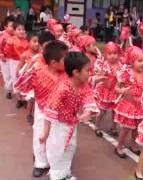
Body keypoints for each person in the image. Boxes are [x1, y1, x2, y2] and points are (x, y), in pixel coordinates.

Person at [41, 52, 99, 180]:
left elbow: (87, 96)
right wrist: (45, 133)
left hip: (72, 122)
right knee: (58, 149)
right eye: (87, 70)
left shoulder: (82, 84)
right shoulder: (62, 89)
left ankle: (64, 173)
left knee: (70, 148)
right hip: (60, 124)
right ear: (76, 72)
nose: (90, 73)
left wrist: (87, 111)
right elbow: (49, 111)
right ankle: (56, 175)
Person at [15, 40, 68, 177]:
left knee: (58, 139)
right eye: (65, 58)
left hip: (61, 113)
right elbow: (21, 86)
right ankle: (40, 163)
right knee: (40, 136)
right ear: (53, 61)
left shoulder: (67, 73)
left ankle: (56, 164)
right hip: (42, 111)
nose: (68, 60)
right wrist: (28, 68)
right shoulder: (37, 71)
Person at [114, 46, 143, 158]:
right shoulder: (127, 73)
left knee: (137, 128)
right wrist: (122, 90)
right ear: (132, 61)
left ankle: (133, 145)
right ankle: (119, 146)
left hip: (141, 107)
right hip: (129, 106)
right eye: (139, 61)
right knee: (126, 129)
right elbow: (116, 88)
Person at [94, 42, 124, 137]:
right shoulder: (104, 65)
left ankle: (114, 127)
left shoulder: (121, 65)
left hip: (116, 92)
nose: (113, 56)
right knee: (102, 111)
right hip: (105, 91)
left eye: (115, 53)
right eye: (110, 54)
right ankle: (97, 126)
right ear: (106, 54)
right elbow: (99, 75)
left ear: (119, 54)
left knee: (115, 111)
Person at [16, 34, 41, 125]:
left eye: (38, 42)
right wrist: (20, 75)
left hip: (40, 80)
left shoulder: (42, 54)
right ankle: (29, 115)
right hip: (30, 81)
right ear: (28, 42)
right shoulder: (25, 55)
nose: (37, 44)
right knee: (31, 99)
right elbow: (19, 67)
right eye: (34, 41)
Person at [3, 21, 29, 108]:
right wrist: (9, 45)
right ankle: (19, 99)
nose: (22, 31)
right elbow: (7, 53)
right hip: (14, 63)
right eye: (19, 29)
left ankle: (24, 99)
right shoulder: (11, 40)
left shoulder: (27, 40)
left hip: (25, 63)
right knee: (15, 79)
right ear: (14, 31)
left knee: (25, 80)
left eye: (23, 29)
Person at [0, 16, 15, 99]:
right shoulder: (2, 37)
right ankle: (9, 91)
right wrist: (2, 58)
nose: (13, 28)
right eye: (11, 26)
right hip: (5, 59)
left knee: (14, 75)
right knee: (7, 76)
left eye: (14, 26)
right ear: (5, 27)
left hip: (14, 59)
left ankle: (15, 90)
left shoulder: (15, 34)